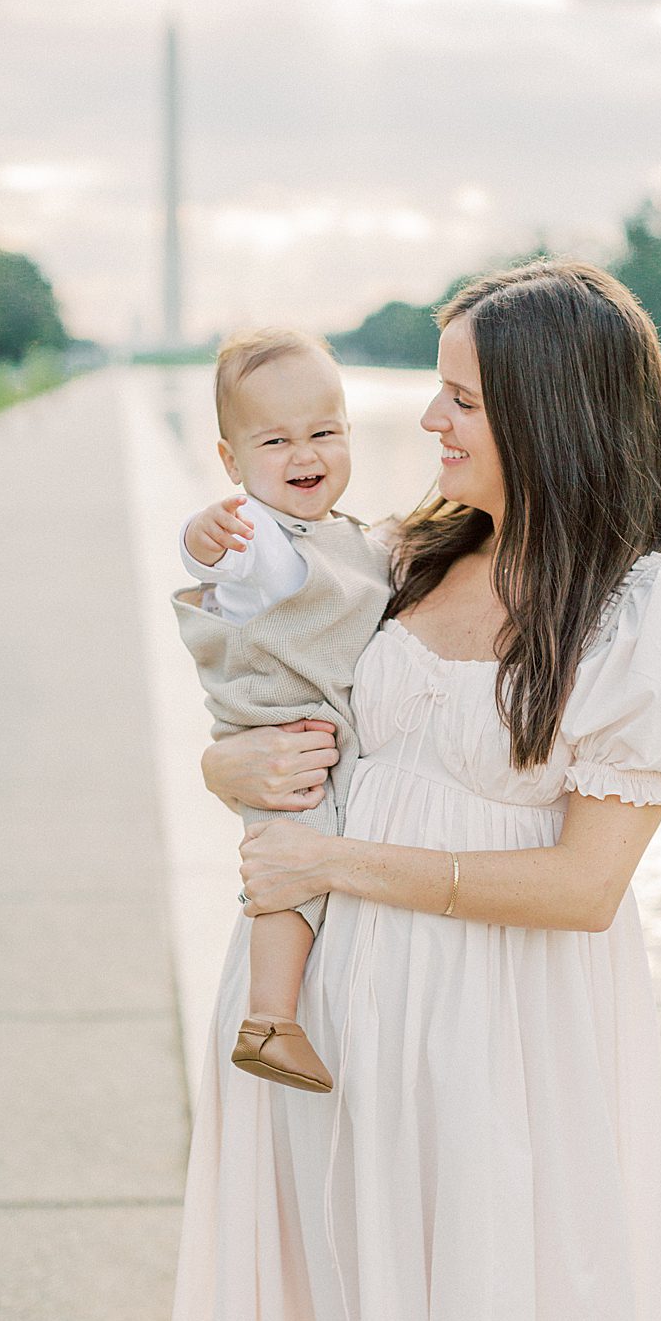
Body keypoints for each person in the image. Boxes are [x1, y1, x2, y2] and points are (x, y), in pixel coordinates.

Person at [159, 259, 661, 1321]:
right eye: (438, 391)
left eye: (463, 399)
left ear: (552, 409)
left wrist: (339, 857)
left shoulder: (642, 608)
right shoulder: (400, 554)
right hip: (320, 1023)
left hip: (494, 1042)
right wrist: (230, 773)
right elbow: (274, 696)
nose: (427, 421)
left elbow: (584, 890)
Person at [173, 328, 390, 1092]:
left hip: (308, 738)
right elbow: (221, 559)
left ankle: (280, 1015)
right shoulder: (258, 532)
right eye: (277, 441)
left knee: (303, 860)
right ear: (232, 462)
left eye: (324, 433)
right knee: (288, 868)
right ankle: (269, 1021)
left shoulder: (343, 533)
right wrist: (204, 537)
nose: (306, 456)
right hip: (280, 738)